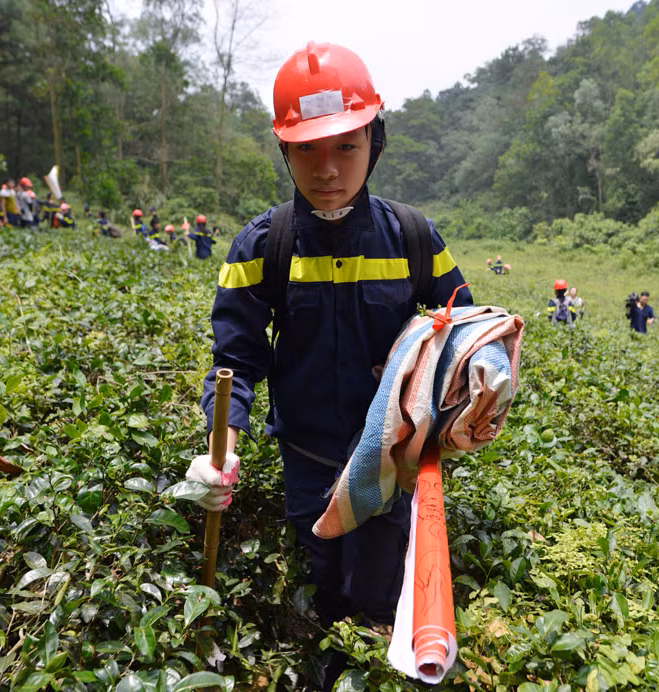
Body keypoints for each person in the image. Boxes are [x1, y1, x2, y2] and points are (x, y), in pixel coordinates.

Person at [192, 43, 472, 684]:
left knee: (378, 595)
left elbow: (460, 329)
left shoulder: (412, 236)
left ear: (376, 142)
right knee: (322, 589)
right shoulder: (264, 246)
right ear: (283, 151)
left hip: (392, 461)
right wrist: (222, 446)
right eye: (307, 149)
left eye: (346, 146)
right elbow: (235, 356)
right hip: (309, 462)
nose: (326, 169)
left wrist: (460, 383)